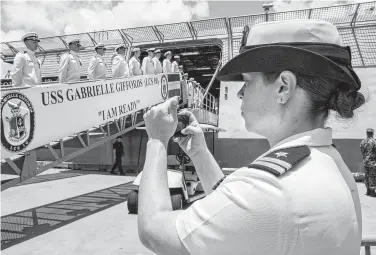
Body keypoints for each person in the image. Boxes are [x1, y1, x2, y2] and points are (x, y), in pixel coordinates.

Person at [137, 19, 364, 255]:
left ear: (283, 87)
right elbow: (233, 211)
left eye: (247, 81)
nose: (240, 92)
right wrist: (200, 154)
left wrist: (157, 140)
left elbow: (154, 230)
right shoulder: (329, 162)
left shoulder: (271, 188)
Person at [360, 128, 376, 197]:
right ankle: (372, 192)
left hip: (365, 162)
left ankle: (368, 190)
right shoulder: (374, 142)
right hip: (372, 162)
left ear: (367, 133)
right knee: (372, 176)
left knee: (367, 175)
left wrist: (366, 157)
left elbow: (362, 150)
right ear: (372, 133)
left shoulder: (363, 142)